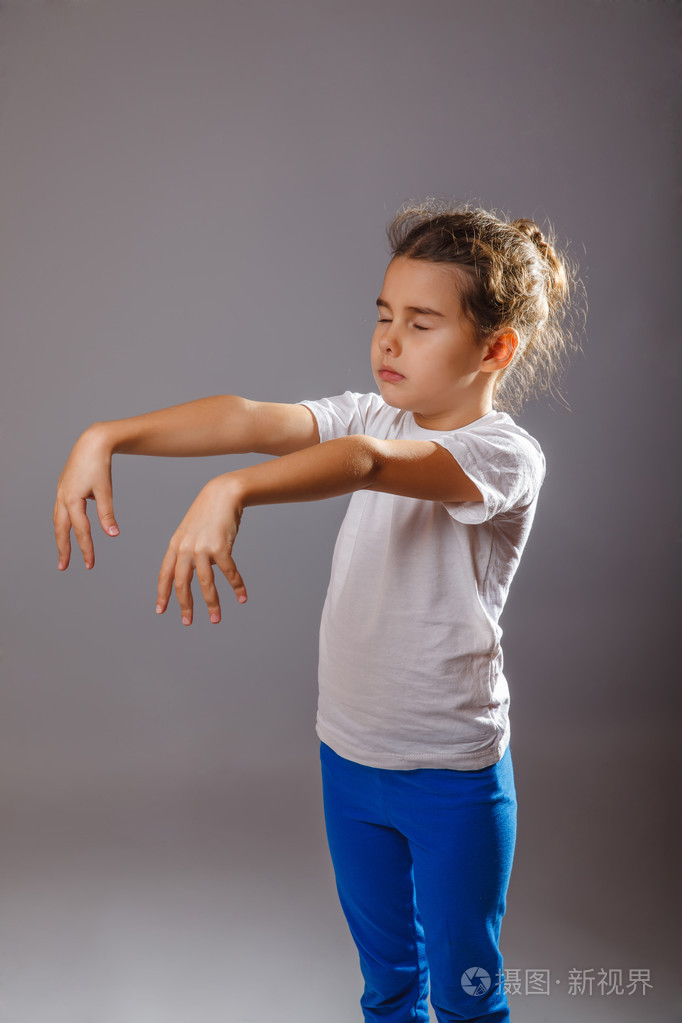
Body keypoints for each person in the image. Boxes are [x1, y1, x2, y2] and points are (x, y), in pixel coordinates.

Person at [53, 201, 578, 1022]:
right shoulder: (374, 411)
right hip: (350, 757)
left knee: (469, 990)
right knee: (390, 985)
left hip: (453, 775)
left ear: (494, 348)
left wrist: (234, 489)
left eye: (421, 322)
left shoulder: (504, 457)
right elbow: (249, 417)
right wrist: (108, 434)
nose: (389, 341)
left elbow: (369, 464)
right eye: (383, 316)